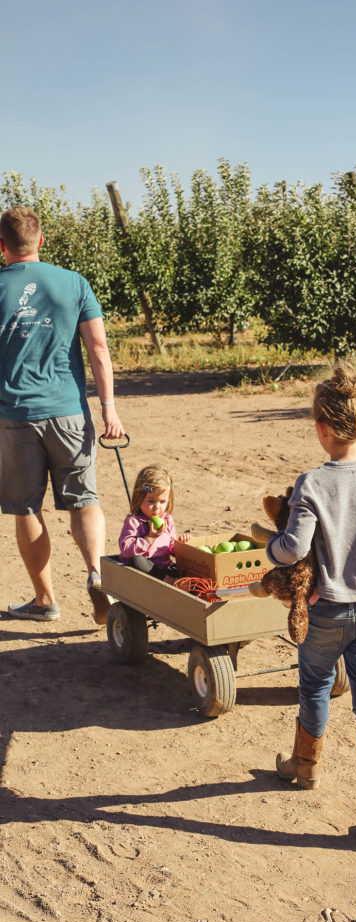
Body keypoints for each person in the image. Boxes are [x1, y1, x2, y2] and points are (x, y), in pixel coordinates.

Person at [256, 361, 356, 841]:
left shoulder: (313, 483)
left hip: (324, 610)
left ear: (320, 429)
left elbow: (294, 549)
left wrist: (269, 549)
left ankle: (305, 767)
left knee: (316, 685)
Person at [0, 206, 125, 624]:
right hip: (70, 412)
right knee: (83, 500)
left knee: (26, 508)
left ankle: (44, 600)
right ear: (41, 241)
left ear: (1, 247)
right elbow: (99, 350)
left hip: (15, 415)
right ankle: (96, 573)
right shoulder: (74, 283)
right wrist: (109, 408)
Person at [119, 465, 191, 580]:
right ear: (139, 498)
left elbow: (170, 546)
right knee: (137, 561)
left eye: (162, 502)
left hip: (163, 567)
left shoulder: (167, 519)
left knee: (187, 571)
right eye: (151, 501)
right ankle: (169, 582)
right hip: (144, 571)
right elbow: (126, 550)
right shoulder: (134, 521)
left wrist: (181, 544)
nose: (157, 507)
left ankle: (178, 583)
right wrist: (149, 538)